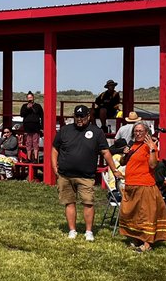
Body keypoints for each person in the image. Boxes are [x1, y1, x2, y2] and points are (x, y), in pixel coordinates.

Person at [51, 104, 120, 242]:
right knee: (69, 202)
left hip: (86, 176)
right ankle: (72, 230)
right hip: (65, 175)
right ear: (74, 116)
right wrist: (54, 168)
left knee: (88, 203)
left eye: (82, 116)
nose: (79, 119)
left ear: (88, 117)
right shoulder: (65, 130)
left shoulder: (97, 132)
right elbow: (55, 149)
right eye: (77, 116)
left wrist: (115, 169)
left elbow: (105, 152)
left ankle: (89, 232)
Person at [118, 122, 166, 252]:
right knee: (133, 214)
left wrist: (152, 148)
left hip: (145, 185)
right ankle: (137, 238)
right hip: (131, 184)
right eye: (136, 131)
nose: (138, 133)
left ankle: (147, 243)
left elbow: (153, 165)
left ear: (146, 133)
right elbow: (122, 162)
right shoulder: (132, 145)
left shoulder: (150, 146)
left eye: (141, 131)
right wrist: (125, 153)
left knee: (146, 215)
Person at [19, 92, 43, 158]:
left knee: (35, 142)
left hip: (36, 126)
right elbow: (22, 114)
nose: (30, 99)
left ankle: (35, 158)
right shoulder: (24, 106)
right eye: (28, 98)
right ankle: (28, 158)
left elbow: (42, 116)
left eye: (31, 98)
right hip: (27, 126)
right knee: (28, 142)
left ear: (33, 98)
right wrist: (27, 108)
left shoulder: (38, 106)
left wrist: (42, 127)